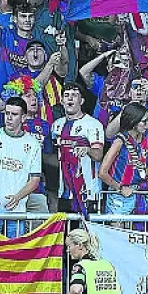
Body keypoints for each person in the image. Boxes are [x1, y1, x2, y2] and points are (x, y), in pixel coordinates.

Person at [0, 97, 41, 234]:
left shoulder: (33, 143)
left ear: (23, 117)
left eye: (14, 114)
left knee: (14, 254)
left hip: (17, 212)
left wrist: (18, 197)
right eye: (7, 113)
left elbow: (35, 180)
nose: (9, 118)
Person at [99, 102, 148, 215]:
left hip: (141, 192)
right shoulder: (119, 142)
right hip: (119, 194)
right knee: (118, 229)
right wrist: (120, 188)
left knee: (138, 230)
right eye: (144, 121)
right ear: (133, 122)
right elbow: (102, 173)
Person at [51, 83, 105, 213]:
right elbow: (55, 154)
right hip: (64, 192)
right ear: (62, 101)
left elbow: (98, 155)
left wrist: (87, 150)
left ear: (81, 101)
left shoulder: (93, 124)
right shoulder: (56, 126)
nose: (70, 99)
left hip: (89, 192)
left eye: (74, 95)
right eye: (66, 95)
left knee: (87, 232)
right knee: (67, 232)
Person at [66, 228, 123, 294]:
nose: (68, 250)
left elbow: (76, 290)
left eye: (69, 246)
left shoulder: (80, 267)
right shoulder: (107, 265)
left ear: (80, 245)